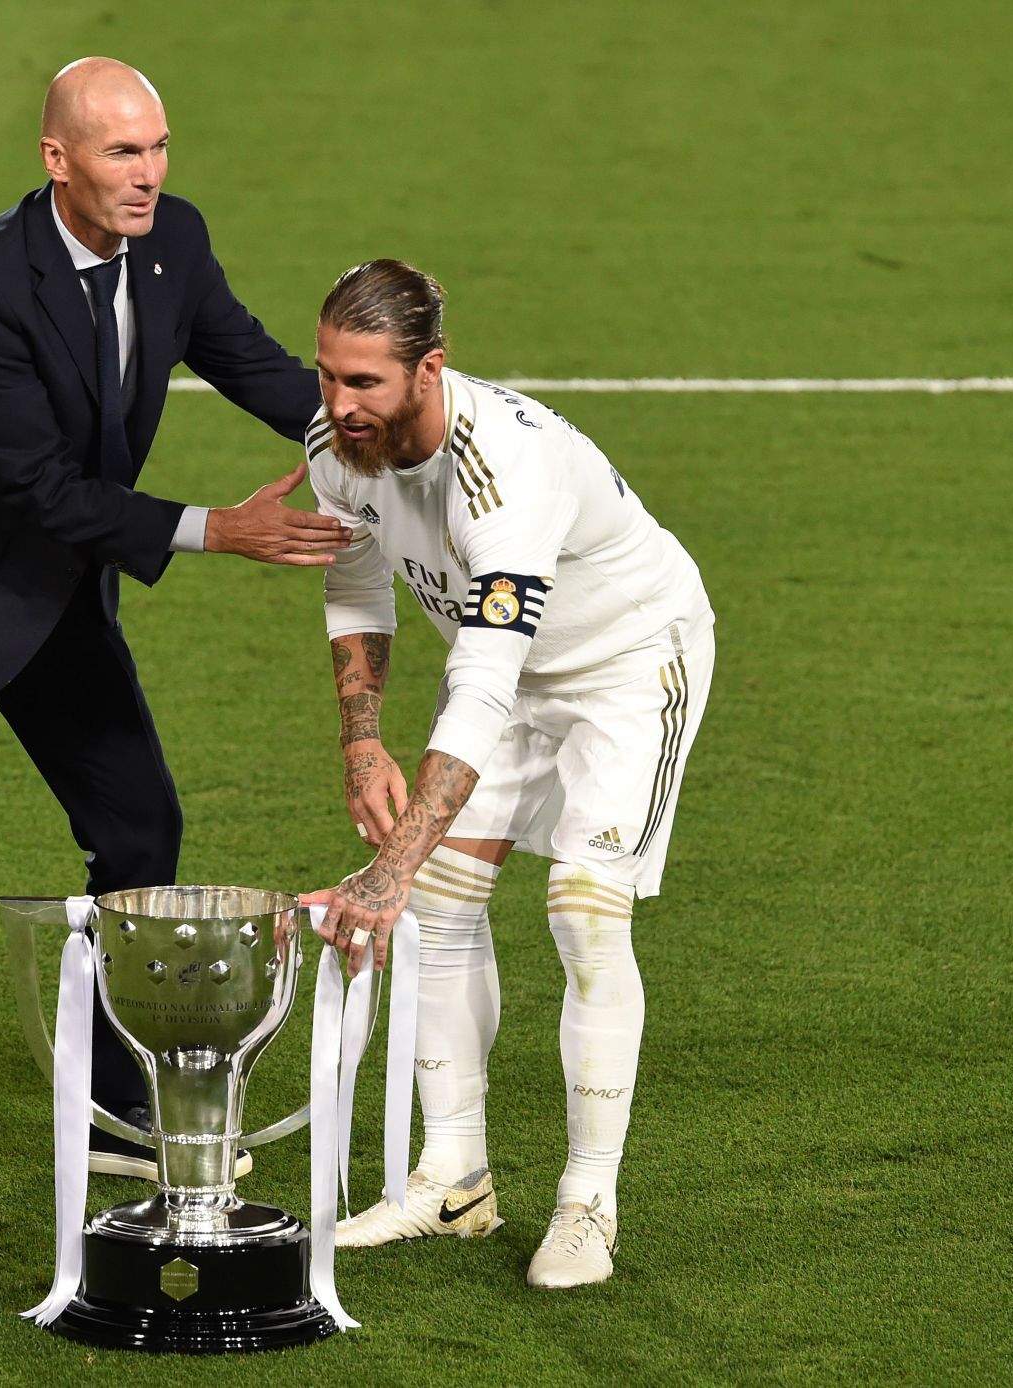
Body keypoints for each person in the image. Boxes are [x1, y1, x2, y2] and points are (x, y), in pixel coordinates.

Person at [0, 58, 349, 1247]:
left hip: (54, 602)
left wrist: (377, 423)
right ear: (57, 159)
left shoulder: (173, 242)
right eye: (122, 153)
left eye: (160, 148)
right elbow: (45, 491)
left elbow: (252, 362)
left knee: (141, 826)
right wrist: (229, 529)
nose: (149, 175)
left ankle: (122, 1093)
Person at [298, 260, 715, 1289]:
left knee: (583, 908)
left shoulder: (506, 471)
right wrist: (362, 739)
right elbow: (356, 586)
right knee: (445, 896)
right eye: (326, 376)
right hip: (509, 669)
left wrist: (388, 864)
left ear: (429, 368)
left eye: (364, 384)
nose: (338, 406)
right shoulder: (334, 449)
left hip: (628, 660)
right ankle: (454, 1175)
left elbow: (482, 687)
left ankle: (589, 1201)